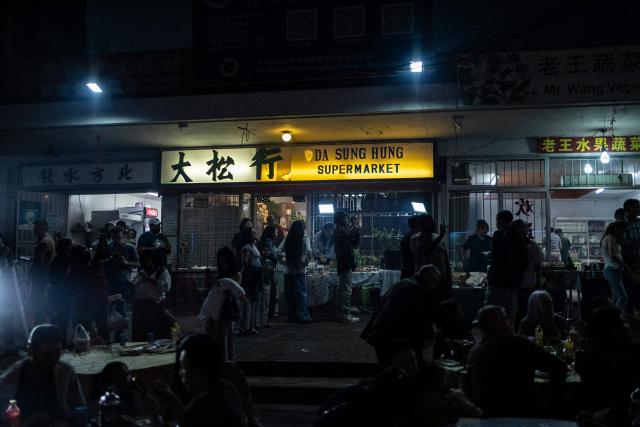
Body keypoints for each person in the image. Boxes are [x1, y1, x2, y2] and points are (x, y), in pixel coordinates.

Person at [467, 305, 567, 417]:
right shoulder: (519, 344)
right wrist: (551, 407)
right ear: (499, 322)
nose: (509, 321)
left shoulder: (474, 352)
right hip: (521, 414)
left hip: (486, 416)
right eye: (505, 318)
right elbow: (560, 367)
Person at [149, 333, 248, 427]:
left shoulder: (204, 402)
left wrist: (153, 411)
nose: (180, 373)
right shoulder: (229, 388)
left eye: (184, 369)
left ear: (201, 373)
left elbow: (187, 421)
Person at [0, 324, 85, 425]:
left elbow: (80, 409)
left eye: (56, 354)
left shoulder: (65, 372)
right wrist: (28, 422)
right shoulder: (9, 380)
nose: (53, 360)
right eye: (46, 355)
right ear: (30, 351)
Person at [361, 265, 441, 368]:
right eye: (435, 281)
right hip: (392, 338)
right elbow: (420, 318)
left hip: (383, 334)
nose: (435, 285)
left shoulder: (404, 283)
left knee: (389, 370)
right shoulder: (417, 290)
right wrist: (431, 334)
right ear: (427, 277)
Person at [579, 305, 640, 426]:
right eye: (622, 323)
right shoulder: (621, 357)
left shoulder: (590, 354)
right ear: (612, 328)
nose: (627, 326)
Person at [199, 248, 248, 361]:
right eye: (220, 261)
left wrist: (216, 282)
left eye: (223, 261)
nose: (221, 263)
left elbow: (230, 290)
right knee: (215, 336)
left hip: (226, 309)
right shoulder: (221, 273)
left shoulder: (236, 274)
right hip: (216, 308)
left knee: (225, 337)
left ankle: (227, 362)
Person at [486, 215, 528, 326]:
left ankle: (494, 338)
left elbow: (495, 256)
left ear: (503, 220)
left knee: (494, 311)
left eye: (497, 220)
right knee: (510, 313)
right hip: (514, 282)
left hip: (498, 280)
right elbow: (524, 262)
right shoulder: (520, 238)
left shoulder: (499, 234)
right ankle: (509, 336)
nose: (496, 222)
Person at [131, 253, 173, 341]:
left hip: (155, 306)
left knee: (156, 330)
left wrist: (148, 279)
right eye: (145, 262)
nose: (147, 264)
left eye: (149, 261)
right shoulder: (141, 271)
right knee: (142, 332)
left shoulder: (162, 272)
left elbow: (164, 288)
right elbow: (134, 284)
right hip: (141, 305)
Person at [278, 220, 313, 324]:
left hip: (288, 271)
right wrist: (305, 262)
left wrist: (283, 261)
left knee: (290, 294)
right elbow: (309, 254)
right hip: (300, 270)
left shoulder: (288, 239)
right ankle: (304, 316)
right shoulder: (304, 239)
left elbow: (278, 251)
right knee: (301, 294)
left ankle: (291, 316)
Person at [410, 215, 451, 302]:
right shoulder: (415, 238)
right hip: (424, 282)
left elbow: (444, 258)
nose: (432, 224)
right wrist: (440, 236)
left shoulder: (437, 237)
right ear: (421, 224)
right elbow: (425, 250)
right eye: (429, 222)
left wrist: (448, 278)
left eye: (432, 221)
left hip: (440, 280)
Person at [102, 227, 139, 314]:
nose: (116, 240)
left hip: (123, 281)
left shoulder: (130, 248)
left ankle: (120, 324)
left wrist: (126, 263)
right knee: (108, 306)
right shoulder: (109, 246)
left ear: (123, 236)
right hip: (109, 280)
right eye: (114, 238)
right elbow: (100, 262)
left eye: (118, 237)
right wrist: (108, 260)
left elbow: (138, 264)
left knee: (121, 306)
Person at [333, 212, 361, 323]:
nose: (347, 220)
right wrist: (354, 227)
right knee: (347, 289)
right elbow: (349, 236)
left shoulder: (344, 231)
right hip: (344, 263)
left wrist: (356, 231)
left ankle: (341, 313)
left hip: (346, 263)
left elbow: (353, 244)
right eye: (345, 218)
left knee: (343, 289)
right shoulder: (338, 231)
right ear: (340, 219)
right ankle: (345, 314)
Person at [47, 238, 73, 341]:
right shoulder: (67, 260)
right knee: (64, 320)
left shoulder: (56, 260)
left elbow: (51, 277)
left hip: (56, 293)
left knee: (58, 319)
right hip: (64, 294)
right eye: (70, 246)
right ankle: (61, 342)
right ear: (66, 248)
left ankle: (57, 340)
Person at [518, 226, 543, 328]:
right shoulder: (532, 246)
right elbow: (538, 266)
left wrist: (538, 283)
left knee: (526, 311)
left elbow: (538, 266)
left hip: (527, 284)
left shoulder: (533, 247)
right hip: (521, 284)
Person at [31, 220, 56, 324]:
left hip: (40, 276)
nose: (34, 231)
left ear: (43, 229)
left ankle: (40, 324)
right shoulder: (48, 239)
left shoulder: (44, 242)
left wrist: (32, 262)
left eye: (36, 228)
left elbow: (39, 261)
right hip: (45, 275)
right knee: (42, 299)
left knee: (37, 300)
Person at [601, 221, 630, 312]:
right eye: (623, 230)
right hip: (612, 270)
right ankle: (616, 319)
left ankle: (610, 320)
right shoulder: (611, 238)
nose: (624, 233)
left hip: (612, 270)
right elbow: (612, 254)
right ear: (617, 229)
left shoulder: (610, 238)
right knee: (622, 298)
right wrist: (625, 265)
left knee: (615, 299)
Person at [240, 229, 263, 334]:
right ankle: (246, 326)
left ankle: (252, 325)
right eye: (253, 233)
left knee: (254, 301)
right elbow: (245, 262)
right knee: (249, 301)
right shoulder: (246, 248)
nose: (255, 234)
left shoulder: (254, 246)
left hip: (255, 276)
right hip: (250, 276)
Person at [621, 198, 640, 314]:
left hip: (638, 262)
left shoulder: (638, 223)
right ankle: (629, 316)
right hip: (628, 264)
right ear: (627, 210)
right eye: (636, 207)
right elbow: (621, 244)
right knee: (629, 291)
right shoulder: (622, 225)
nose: (639, 209)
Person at [258, 225, 278, 321]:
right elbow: (271, 254)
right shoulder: (268, 241)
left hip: (266, 267)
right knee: (271, 290)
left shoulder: (265, 240)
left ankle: (268, 312)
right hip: (268, 268)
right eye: (275, 231)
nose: (276, 233)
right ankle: (270, 312)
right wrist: (276, 257)